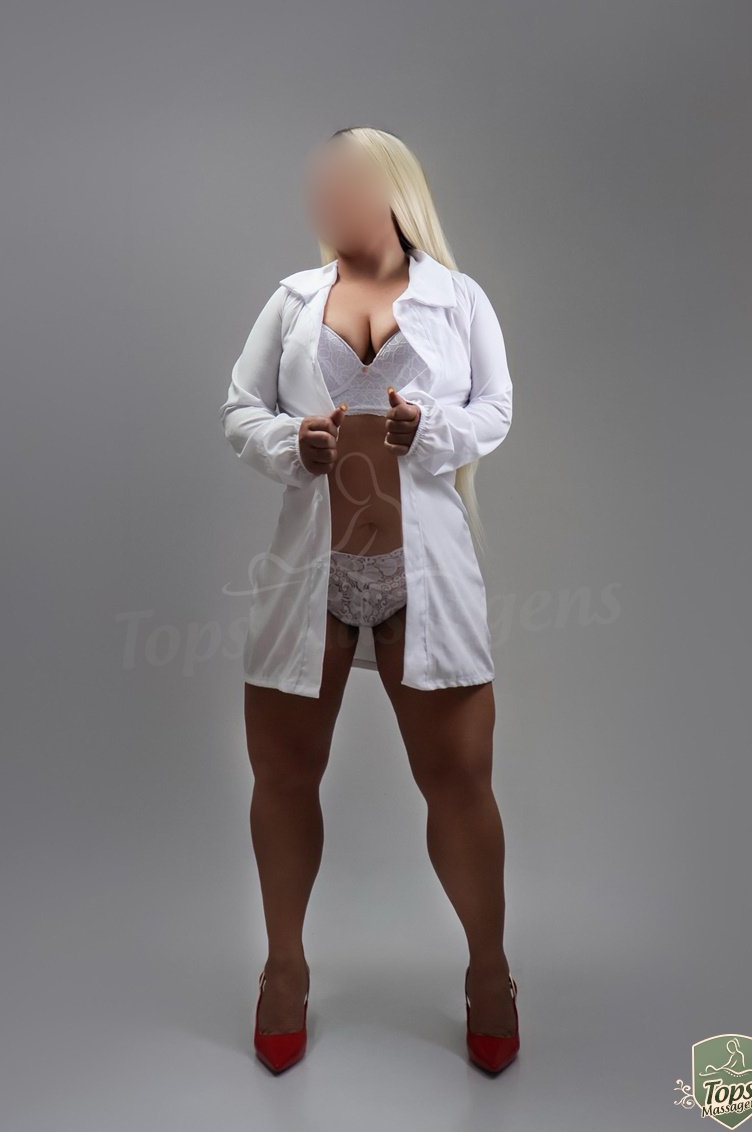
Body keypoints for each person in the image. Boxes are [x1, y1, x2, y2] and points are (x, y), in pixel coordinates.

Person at [219, 126, 519, 1074]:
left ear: (395, 189)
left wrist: (430, 431)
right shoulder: (291, 300)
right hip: (311, 575)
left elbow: (497, 409)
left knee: (460, 782)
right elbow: (239, 409)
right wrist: (291, 443)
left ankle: (489, 971)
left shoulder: (459, 299)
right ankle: (284, 969)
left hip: (420, 576)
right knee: (282, 777)